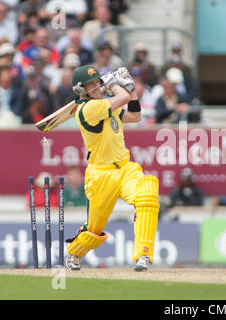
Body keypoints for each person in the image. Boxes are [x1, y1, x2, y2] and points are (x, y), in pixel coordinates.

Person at [65, 65, 160, 272]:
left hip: (125, 168)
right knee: (94, 229)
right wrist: (117, 85)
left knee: (147, 194)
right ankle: (75, 250)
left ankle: (143, 254)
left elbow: (135, 116)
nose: (97, 86)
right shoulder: (88, 109)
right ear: (82, 89)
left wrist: (131, 88)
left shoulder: (107, 105)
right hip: (101, 174)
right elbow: (123, 98)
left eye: (98, 81)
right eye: (92, 83)